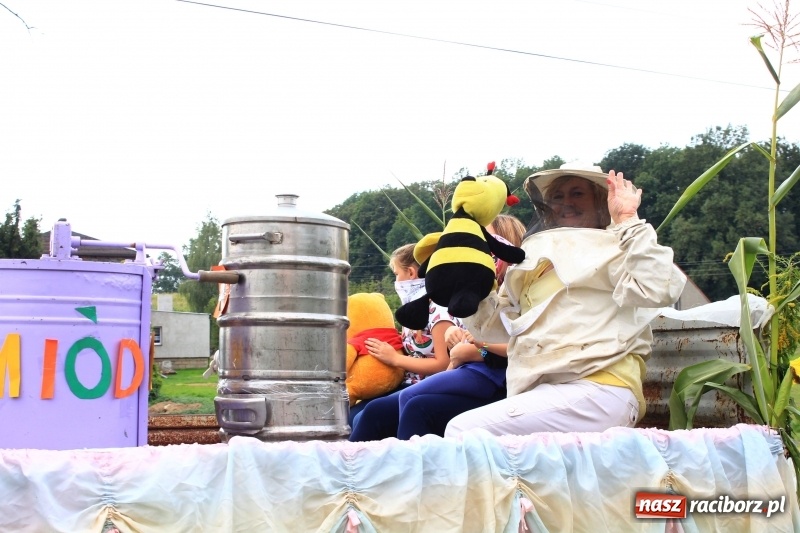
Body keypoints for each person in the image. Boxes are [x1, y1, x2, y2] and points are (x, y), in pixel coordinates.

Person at [444, 163, 687, 438]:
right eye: (557, 197)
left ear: (599, 200)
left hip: (599, 388)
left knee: (463, 431)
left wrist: (628, 219)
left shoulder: (618, 248)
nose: (566, 203)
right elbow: (493, 328)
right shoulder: (532, 259)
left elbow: (658, 287)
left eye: (577, 194)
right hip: (544, 393)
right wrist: (470, 284)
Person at [350, 215, 526, 441]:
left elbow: (512, 350)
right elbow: (470, 347)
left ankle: (412, 469)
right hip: (471, 370)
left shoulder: (515, 294)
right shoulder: (480, 296)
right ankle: (355, 471)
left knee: (416, 407)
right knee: (373, 412)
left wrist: (474, 349)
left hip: (498, 380)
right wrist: (462, 342)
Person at [347, 243, 462, 434]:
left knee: (367, 416)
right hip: (407, 383)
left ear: (410, 273)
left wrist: (395, 359)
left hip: (428, 386)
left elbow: (444, 364)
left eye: (396, 274)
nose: (396, 281)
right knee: (351, 416)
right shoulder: (412, 310)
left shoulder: (439, 310)